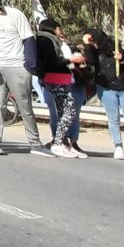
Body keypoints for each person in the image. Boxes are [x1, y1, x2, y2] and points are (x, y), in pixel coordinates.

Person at [0, 0, 53, 157]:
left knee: (25, 105)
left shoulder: (15, 15)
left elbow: (28, 39)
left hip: (16, 66)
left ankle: (35, 143)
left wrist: (29, 65)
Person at [83, 28, 124, 161]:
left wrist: (123, 59)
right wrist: (87, 45)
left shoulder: (115, 49)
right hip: (106, 88)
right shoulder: (93, 52)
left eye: (92, 40)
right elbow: (90, 62)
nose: (92, 43)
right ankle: (118, 147)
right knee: (113, 119)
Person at [34, 18, 85, 158]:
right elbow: (51, 62)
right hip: (56, 78)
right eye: (58, 28)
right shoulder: (46, 41)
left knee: (64, 112)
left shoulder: (45, 40)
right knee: (69, 112)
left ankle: (61, 143)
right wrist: (70, 60)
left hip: (58, 78)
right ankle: (58, 143)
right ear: (54, 28)